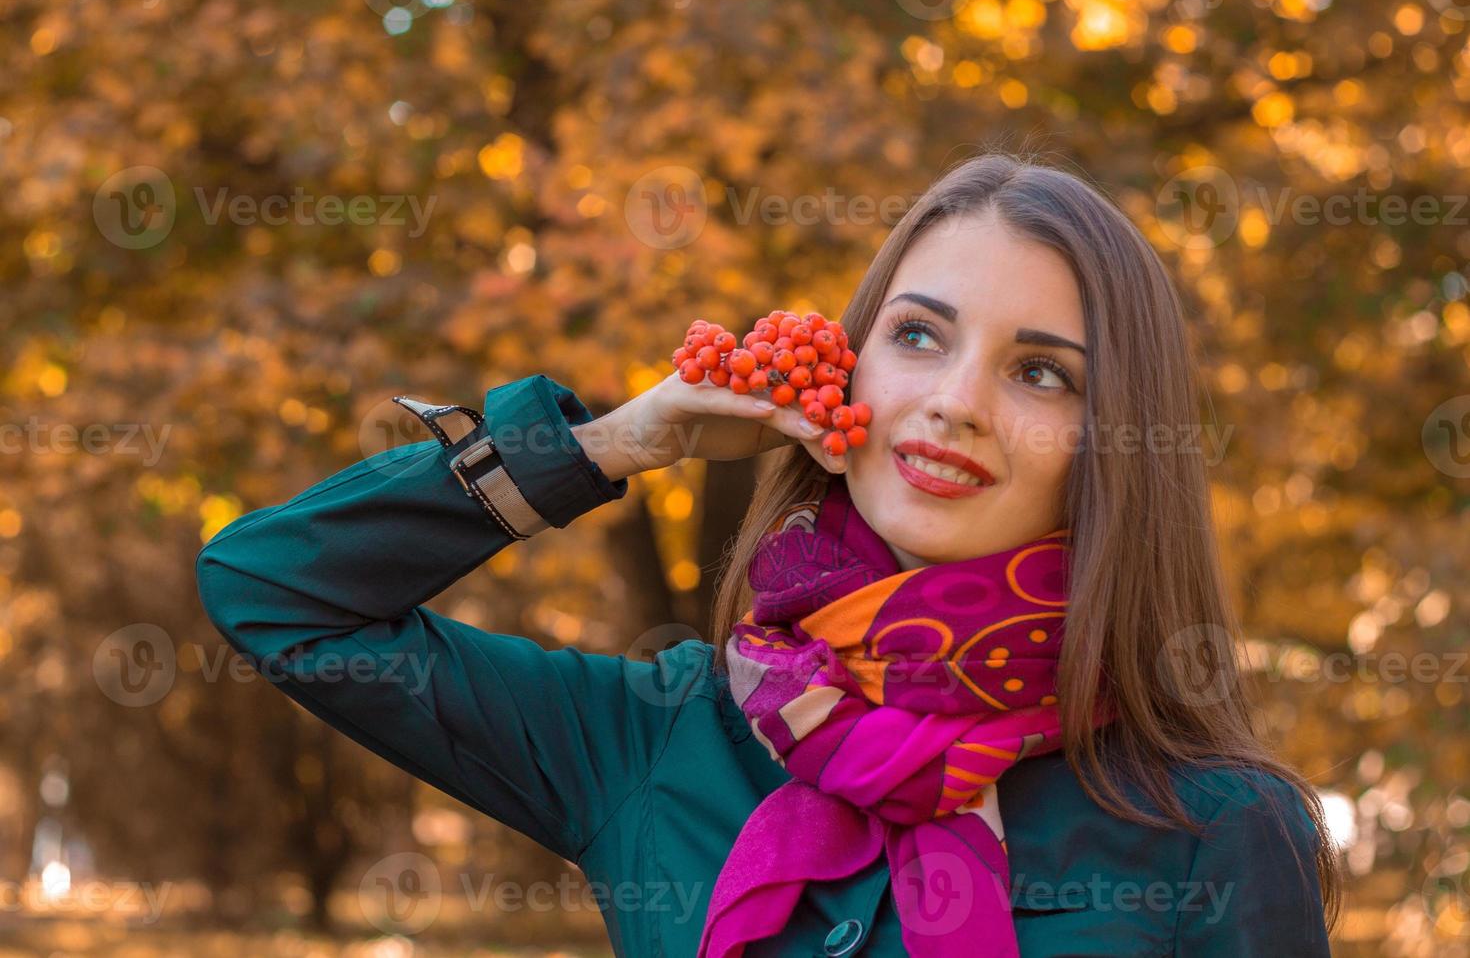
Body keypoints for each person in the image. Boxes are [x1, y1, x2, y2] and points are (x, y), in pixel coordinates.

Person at [195, 151, 1340, 956]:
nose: (953, 403)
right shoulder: (662, 737)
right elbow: (277, 590)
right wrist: (605, 443)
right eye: (920, 335)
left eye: (1040, 370)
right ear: (850, 372)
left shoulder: (1216, 831)